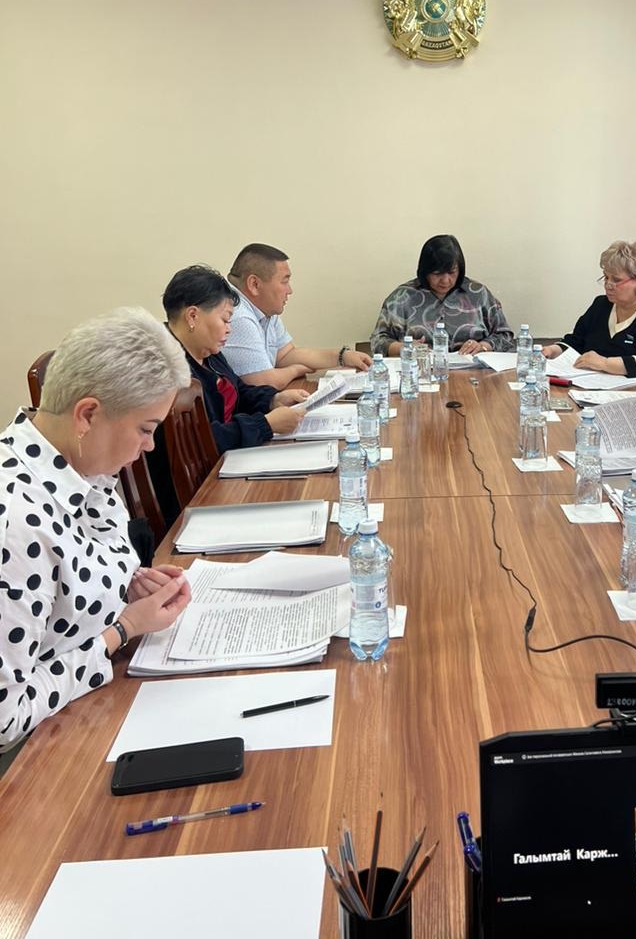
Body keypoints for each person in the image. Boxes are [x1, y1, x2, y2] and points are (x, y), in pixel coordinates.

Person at [0, 308, 193, 755]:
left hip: (84, 709)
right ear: (87, 415)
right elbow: (6, 718)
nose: (149, 446)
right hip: (32, 755)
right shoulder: (17, 523)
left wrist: (128, 586)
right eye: (145, 429)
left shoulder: (83, 471)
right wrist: (122, 630)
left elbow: (65, 589)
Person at [162, 265, 308, 451]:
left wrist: (274, 400)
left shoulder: (209, 353)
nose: (229, 329)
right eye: (224, 320)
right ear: (192, 316)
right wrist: (264, 425)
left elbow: (239, 390)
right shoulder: (165, 369)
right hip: (213, 467)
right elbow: (196, 441)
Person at [223, 243, 371, 388]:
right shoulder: (237, 315)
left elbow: (285, 355)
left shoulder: (263, 307)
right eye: (284, 282)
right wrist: (296, 370)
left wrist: (342, 356)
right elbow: (264, 382)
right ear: (254, 284)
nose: (290, 290)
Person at [543, 241, 636, 377]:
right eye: (606, 277)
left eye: (616, 280)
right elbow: (576, 341)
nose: (608, 285)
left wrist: (605, 364)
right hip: (588, 384)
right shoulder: (600, 305)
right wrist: (552, 350)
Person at [371, 234, 514, 356]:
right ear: (425, 271)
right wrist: (403, 348)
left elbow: (505, 336)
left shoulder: (478, 294)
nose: (445, 281)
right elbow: (377, 341)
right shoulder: (402, 297)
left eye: (452, 272)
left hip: (475, 372)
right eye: (437, 273)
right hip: (420, 371)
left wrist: (483, 346)